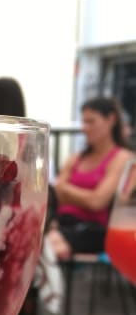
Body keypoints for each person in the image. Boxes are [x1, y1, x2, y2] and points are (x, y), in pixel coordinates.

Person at [48, 97, 133, 260]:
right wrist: (86, 196)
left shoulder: (122, 158)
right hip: (62, 224)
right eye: (84, 122)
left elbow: (97, 202)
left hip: (95, 230)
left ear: (111, 120)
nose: (85, 128)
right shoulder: (76, 157)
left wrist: (66, 190)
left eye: (91, 122)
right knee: (44, 242)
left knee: (47, 246)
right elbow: (57, 191)